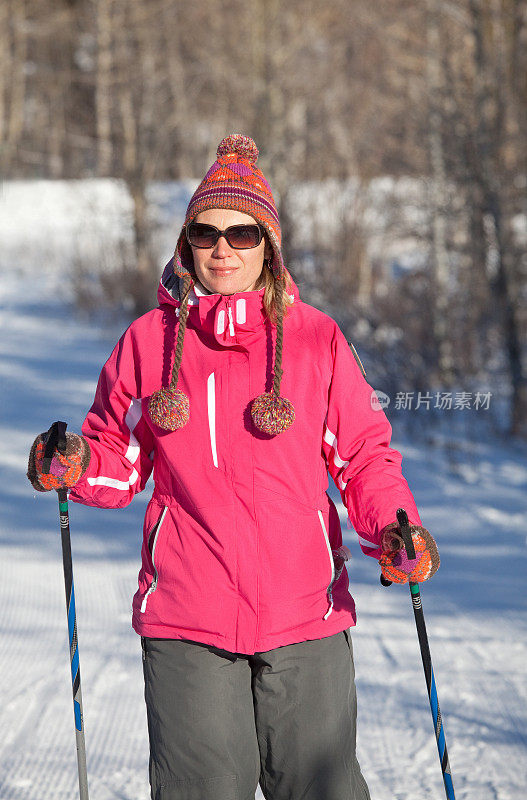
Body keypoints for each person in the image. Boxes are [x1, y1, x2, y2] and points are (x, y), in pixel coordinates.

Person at [27, 134, 440, 800]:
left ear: (267, 246)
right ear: (185, 242)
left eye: (242, 233)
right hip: (188, 613)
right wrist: (73, 463)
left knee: (321, 790)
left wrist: (396, 534)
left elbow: (364, 458)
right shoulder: (147, 342)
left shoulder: (315, 338)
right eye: (206, 232)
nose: (223, 248)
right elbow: (117, 460)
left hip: (305, 608)